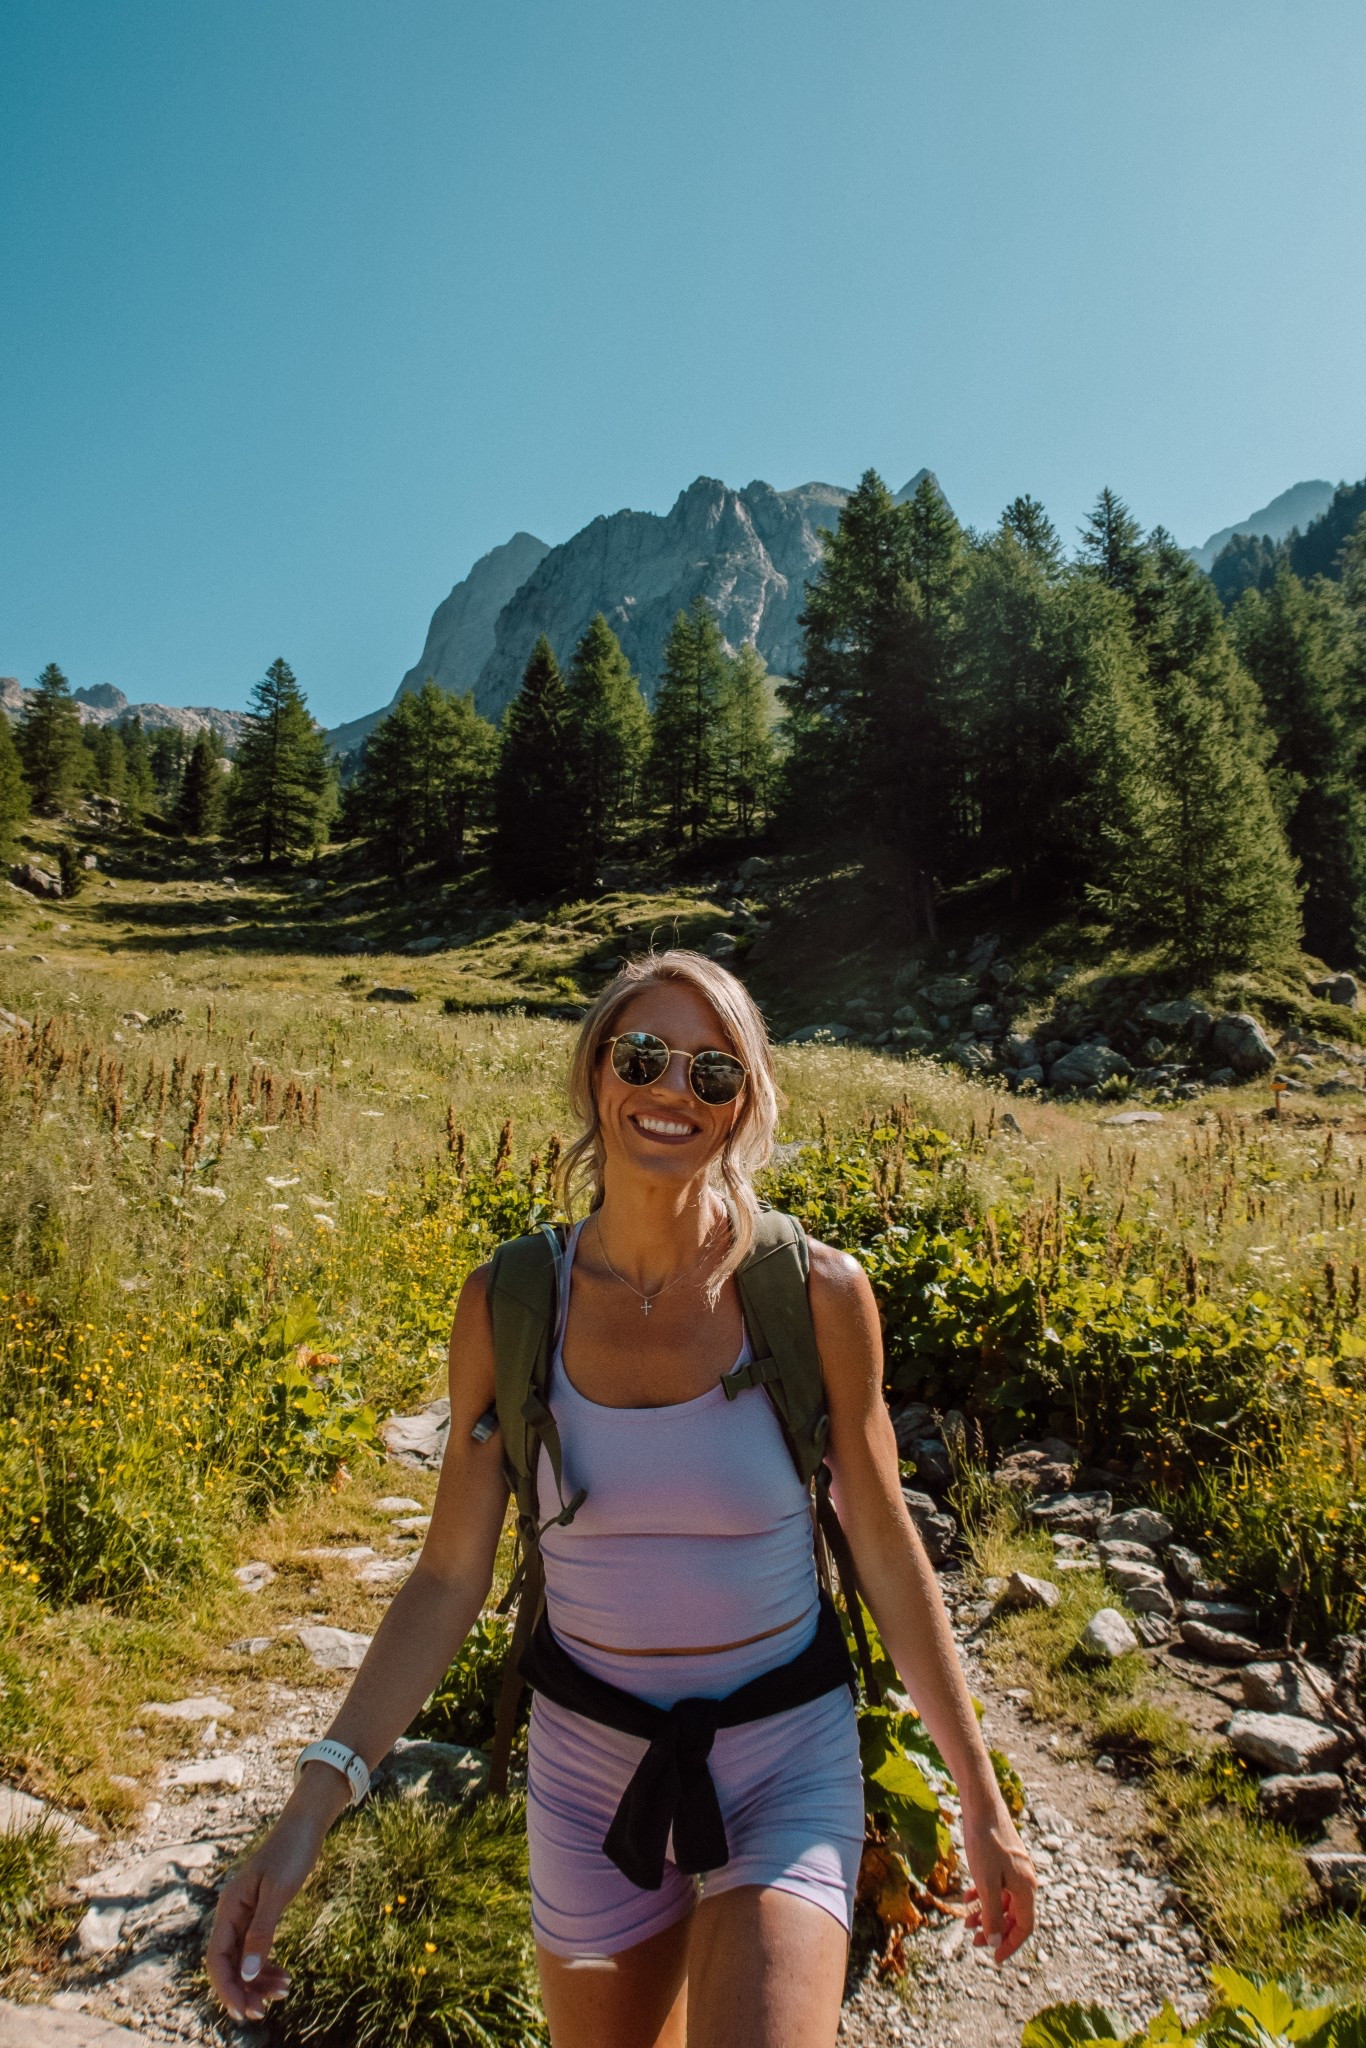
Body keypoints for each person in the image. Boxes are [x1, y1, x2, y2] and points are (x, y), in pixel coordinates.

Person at [207, 949, 1036, 2047]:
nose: (671, 1091)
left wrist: (977, 1793)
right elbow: (450, 1571)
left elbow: (883, 1543)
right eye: (644, 1054)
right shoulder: (509, 1302)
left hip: (785, 1751)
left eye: (712, 1070)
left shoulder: (814, 1295)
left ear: (746, 1103)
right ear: (596, 1071)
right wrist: (314, 1799)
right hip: (586, 1764)